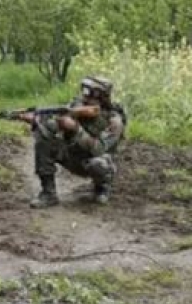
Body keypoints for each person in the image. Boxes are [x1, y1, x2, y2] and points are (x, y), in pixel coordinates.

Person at [20, 75, 126, 209]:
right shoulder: (76, 107)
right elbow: (53, 126)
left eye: (90, 92)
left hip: (95, 162)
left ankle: (102, 187)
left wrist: (76, 129)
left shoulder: (114, 121)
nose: (85, 96)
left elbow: (99, 148)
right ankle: (48, 193)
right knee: (44, 138)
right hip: (73, 156)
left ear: (101, 96)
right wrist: (37, 121)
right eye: (84, 91)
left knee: (98, 163)